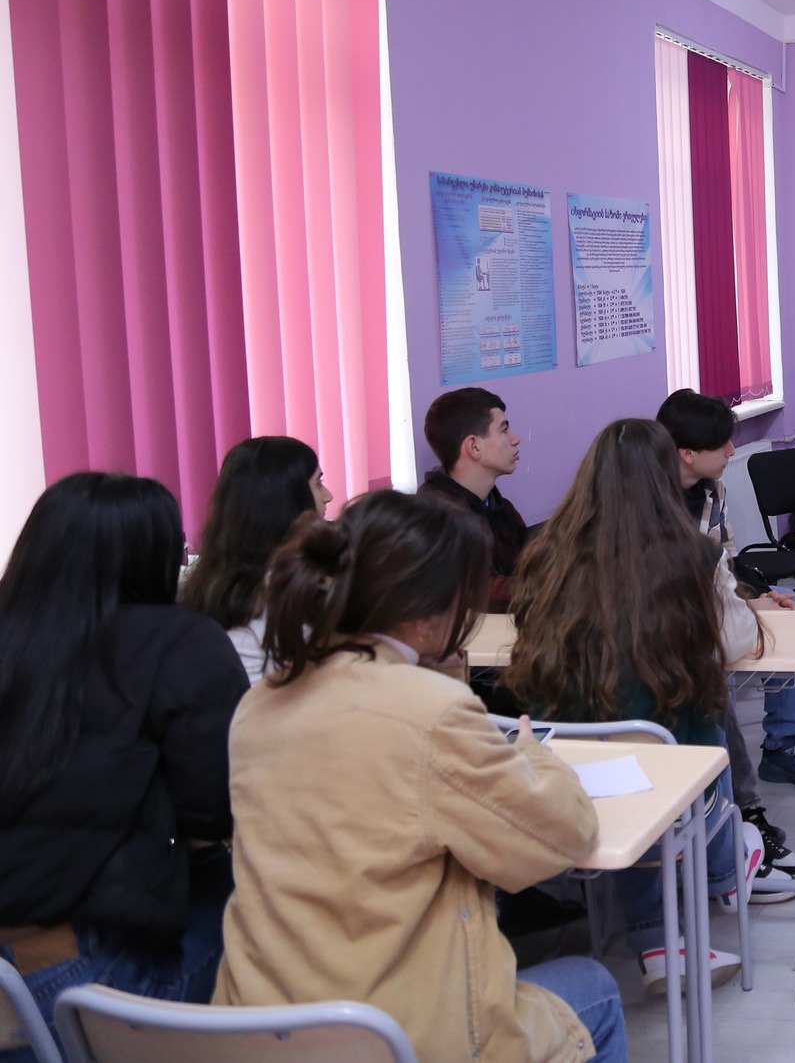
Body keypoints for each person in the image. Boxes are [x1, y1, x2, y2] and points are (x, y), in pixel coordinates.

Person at [214, 490, 625, 1063]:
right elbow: (559, 837)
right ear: (430, 613)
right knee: (594, 987)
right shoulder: (429, 711)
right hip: (390, 1036)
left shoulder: (261, 702)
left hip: (267, 1029)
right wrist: (536, 755)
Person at [505, 418, 795, 995]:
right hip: (664, 766)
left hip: (559, 762)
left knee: (640, 743)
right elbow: (733, 643)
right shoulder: (690, 556)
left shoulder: (546, 555)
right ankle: (728, 863)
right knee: (696, 731)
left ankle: (658, 938)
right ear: (667, 477)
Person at [0, 473, 246, 1049]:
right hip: (91, 982)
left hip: (12, 980)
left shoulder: (13, 639)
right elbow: (215, 812)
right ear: (153, 554)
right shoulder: (180, 641)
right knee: (282, 928)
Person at [656, 389, 795, 855]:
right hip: (676, 623)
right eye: (723, 443)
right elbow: (677, 591)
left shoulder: (713, 490)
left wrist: (759, 595)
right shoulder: (648, 504)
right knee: (711, 673)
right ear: (687, 453)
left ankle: (783, 747)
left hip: (713, 602)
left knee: (788, 605)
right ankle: (743, 809)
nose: (733, 451)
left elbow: (726, 565)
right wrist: (745, 609)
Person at [181, 435, 333, 682]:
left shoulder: (216, 579)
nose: (328, 496)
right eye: (318, 483)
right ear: (285, 500)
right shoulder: (290, 584)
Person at [420, 386, 526, 611]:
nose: (515, 439)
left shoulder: (502, 509)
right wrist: (556, 589)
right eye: (504, 430)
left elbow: (535, 562)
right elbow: (480, 593)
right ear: (474, 446)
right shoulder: (438, 520)